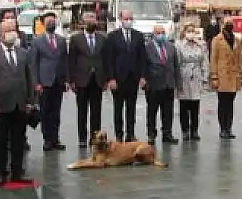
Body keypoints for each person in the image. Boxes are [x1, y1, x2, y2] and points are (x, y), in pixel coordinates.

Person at [0, 21, 36, 186]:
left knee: (18, 141)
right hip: (0, 106)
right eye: (8, 31)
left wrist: (30, 101)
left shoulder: (23, 53)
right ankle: (0, 173)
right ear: (0, 35)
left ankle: (17, 172)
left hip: (20, 105)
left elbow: (29, 79)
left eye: (14, 30)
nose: (12, 33)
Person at [105, 10, 147, 142]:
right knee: (118, 108)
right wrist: (111, 78)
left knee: (131, 107)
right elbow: (109, 59)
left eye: (130, 18)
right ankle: (118, 135)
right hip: (118, 78)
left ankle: (131, 134)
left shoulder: (138, 36)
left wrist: (142, 76)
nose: (128, 20)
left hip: (133, 78)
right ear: (120, 19)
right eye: (126, 18)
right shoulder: (112, 36)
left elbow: (142, 58)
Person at [68, 11, 108, 148]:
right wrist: (71, 80)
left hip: (97, 80)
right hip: (81, 80)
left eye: (93, 19)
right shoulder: (75, 39)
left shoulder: (103, 38)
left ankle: (94, 137)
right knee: (82, 111)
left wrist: (106, 80)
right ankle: (82, 138)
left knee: (96, 112)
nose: (91, 22)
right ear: (82, 22)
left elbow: (106, 60)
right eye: (88, 20)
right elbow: (71, 61)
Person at [29, 11, 68, 151]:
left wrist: (66, 80)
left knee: (56, 112)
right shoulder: (37, 41)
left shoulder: (62, 40)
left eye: (53, 21)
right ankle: (47, 140)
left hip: (58, 82)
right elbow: (33, 64)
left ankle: (56, 138)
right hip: (44, 82)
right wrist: (36, 83)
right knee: (45, 112)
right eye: (48, 21)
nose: (51, 23)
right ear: (43, 24)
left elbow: (65, 61)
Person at [143, 25, 179, 144]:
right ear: (153, 34)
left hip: (168, 84)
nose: (161, 35)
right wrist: (144, 81)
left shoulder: (171, 47)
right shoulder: (147, 48)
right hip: (153, 85)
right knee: (152, 112)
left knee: (168, 112)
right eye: (158, 32)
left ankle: (167, 133)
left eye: (163, 32)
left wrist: (177, 83)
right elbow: (143, 66)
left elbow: (176, 66)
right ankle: (151, 134)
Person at [209, 15, 242, 139]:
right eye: (227, 22)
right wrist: (214, 75)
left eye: (231, 22)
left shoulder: (236, 40)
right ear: (222, 24)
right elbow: (213, 58)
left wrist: (241, 73)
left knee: (230, 103)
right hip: (222, 75)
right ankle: (223, 128)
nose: (230, 24)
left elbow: (239, 58)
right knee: (223, 103)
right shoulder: (217, 40)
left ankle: (229, 127)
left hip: (234, 75)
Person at [174, 23, 207, 141]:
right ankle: (185, 130)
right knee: (184, 106)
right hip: (184, 76)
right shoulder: (179, 45)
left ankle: (194, 130)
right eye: (189, 31)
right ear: (184, 32)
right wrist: (177, 80)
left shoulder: (201, 45)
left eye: (193, 31)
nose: (191, 33)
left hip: (196, 77)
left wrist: (205, 78)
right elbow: (176, 63)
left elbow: (204, 62)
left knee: (195, 106)